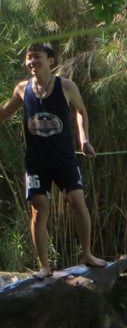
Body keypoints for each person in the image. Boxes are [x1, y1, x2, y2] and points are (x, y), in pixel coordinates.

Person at [0, 42, 106, 279]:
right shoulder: (22, 88)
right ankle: (45, 267)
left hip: (64, 158)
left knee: (77, 200)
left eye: (36, 57)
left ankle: (88, 254)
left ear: (50, 60)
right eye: (28, 58)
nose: (31, 62)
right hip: (36, 162)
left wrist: (84, 140)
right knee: (39, 209)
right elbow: (4, 113)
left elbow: (81, 111)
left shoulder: (66, 86)